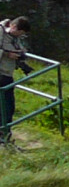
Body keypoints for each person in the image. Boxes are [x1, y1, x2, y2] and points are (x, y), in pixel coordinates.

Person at [1, 16, 33, 145]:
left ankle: (5, 135)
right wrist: (7, 54)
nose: (19, 36)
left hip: (6, 73)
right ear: (14, 27)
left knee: (8, 106)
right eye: (19, 33)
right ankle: (4, 136)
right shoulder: (1, 33)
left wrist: (20, 53)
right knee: (6, 106)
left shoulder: (12, 37)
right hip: (2, 74)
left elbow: (14, 45)